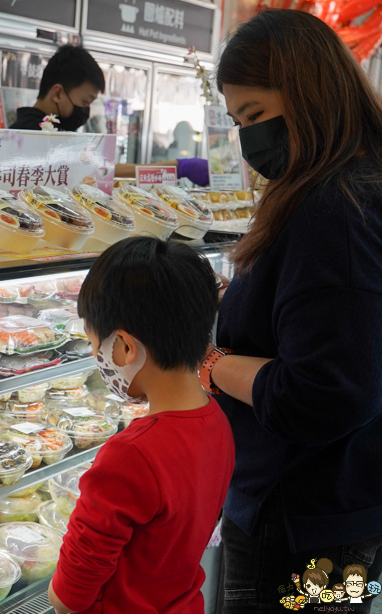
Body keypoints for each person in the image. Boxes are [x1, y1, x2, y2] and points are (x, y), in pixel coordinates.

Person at [203, 9, 382, 613]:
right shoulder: (352, 180)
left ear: (309, 92)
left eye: (255, 115)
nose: (248, 139)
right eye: (237, 122)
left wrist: (207, 361)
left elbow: (323, 393)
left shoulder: (333, 207)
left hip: (303, 520)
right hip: (344, 500)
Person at [48, 237, 234, 614]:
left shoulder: (130, 455)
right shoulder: (218, 421)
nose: (95, 356)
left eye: (95, 344)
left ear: (125, 348)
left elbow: (68, 598)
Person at [9, 44, 104, 132]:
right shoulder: (35, 135)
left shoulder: (22, 130)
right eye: (85, 102)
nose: (86, 111)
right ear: (57, 93)